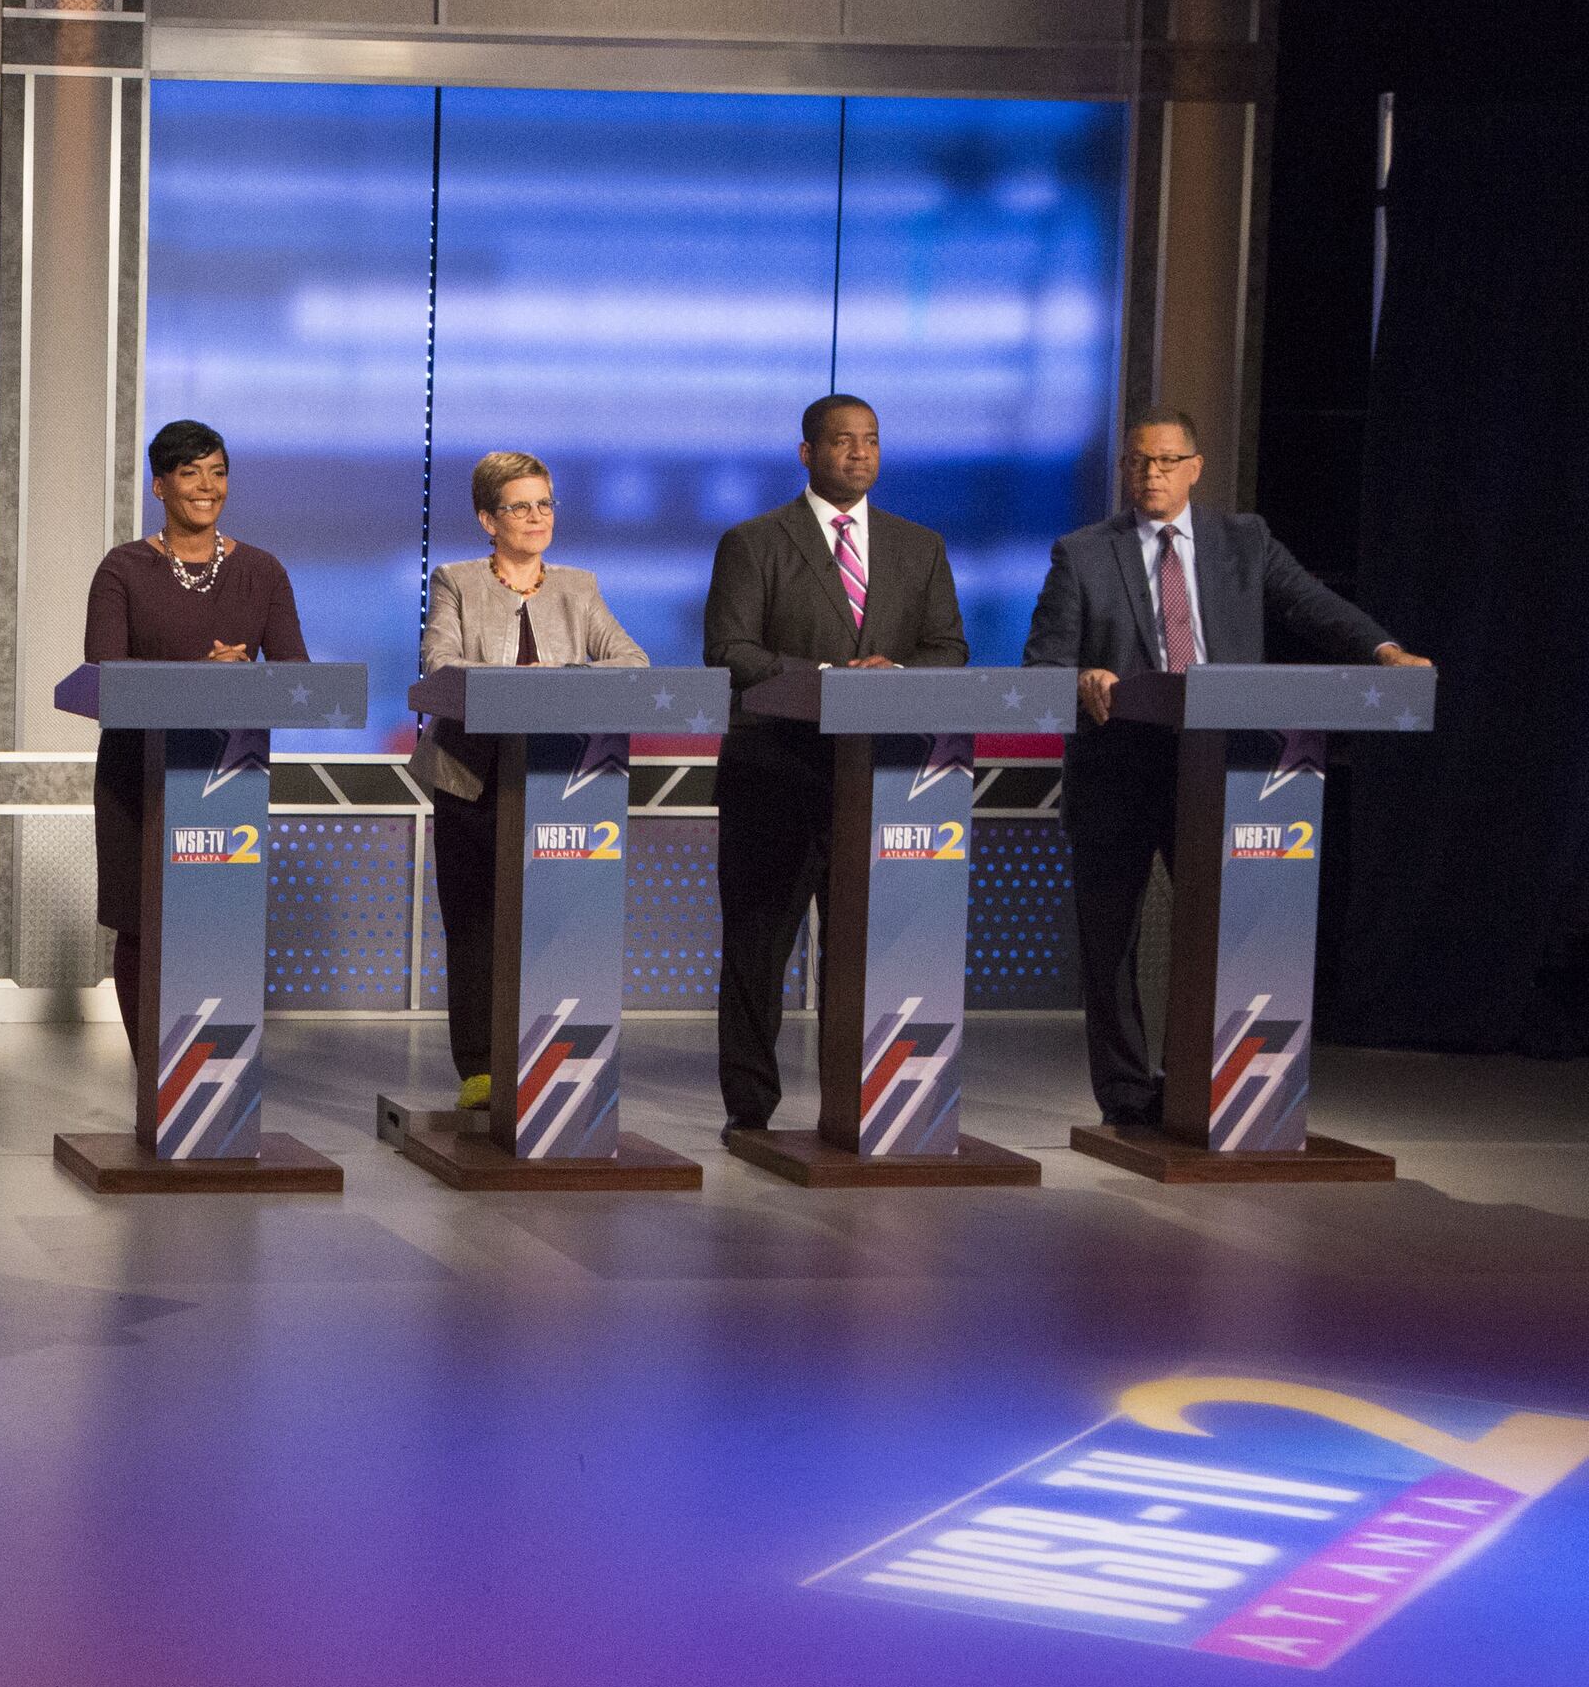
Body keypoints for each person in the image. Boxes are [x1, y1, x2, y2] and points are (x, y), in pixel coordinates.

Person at [1023, 409, 1432, 1128]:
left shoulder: (1246, 541)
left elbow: (1314, 606)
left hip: (1221, 772)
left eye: (1166, 460)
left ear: (1195, 466)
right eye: (1138, 462)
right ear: (1124, 470)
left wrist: (1383, 652)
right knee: (1109, 945)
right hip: (1118, 771)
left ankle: (1200, 1082)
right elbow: (1044, 668)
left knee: (1219, 931)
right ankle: (1125, 1097)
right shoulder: (1082, 553)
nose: (1151, 473)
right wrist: (1082, 677)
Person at [701, 393, 967, 1135]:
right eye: (843, 441)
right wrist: (828, 676)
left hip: (882, 785)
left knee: (870, 954)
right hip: (774, 775)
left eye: (871, 441)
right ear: (807, 453)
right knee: (758, 953)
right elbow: (729, 651)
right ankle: (750, 1113)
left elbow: (949, 649)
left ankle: (867, 1107)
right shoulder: (753, 542)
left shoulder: (921, 546)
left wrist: (897, 676)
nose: (859, 453)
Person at [413, 451, 649, 1111]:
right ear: (487, 518)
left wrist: (563, 683)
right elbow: (439, 662)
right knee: (477, 924)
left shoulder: (578, 586)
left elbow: (631, 661)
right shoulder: (456, 580)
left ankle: (555, 1056)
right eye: (519, 506)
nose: (536, 517)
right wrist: (516, 687)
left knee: (555, 921)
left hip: (563, 778)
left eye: (545, 504)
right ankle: (482, 1068)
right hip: (472, 777)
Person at [84, 420, 306, 1051]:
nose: (207, 487)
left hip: (229, 774)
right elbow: (103, 671)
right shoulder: (123, 568)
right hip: (139, 775)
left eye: (218, 471)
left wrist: (244, 677)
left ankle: (213, 1070)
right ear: (160, 486)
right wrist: (195, 676)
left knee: (216, 923)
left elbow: (296, 672)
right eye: (190, 473)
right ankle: (153, 1077)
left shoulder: (262, 571)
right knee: (143, 922)